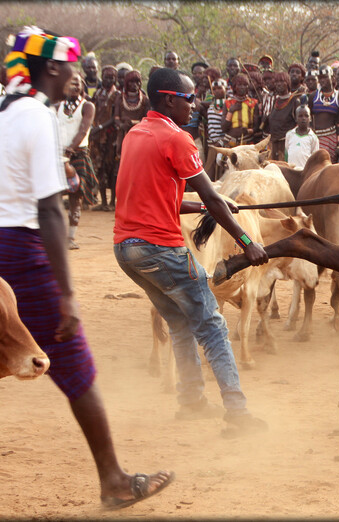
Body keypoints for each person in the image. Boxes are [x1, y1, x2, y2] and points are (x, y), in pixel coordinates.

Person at [0, 26, 173, 510]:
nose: (75, 73)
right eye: (69, 65)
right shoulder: (37, 117)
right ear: (50, 67)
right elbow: (49, 209)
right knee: (76, 368)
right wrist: (67, 293)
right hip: (23, 254)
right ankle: (113, 481)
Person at [113, 66, 270, 436]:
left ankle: (192, 401)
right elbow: (212, 195)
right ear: (169, 99)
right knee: (213, 325)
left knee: (180, 320)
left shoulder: (136, 134)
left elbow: (153, 196)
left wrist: (201, 208)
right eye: (189, 98)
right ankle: (237, 413)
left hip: (126, 249)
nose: (194, 105)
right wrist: (247, 243)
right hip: (158, 248)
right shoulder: (178, 139)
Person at [56, 74, 99, 249]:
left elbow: (83, 129)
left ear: (82, 87)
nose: (74, 87)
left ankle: (70, 237)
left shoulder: (87, 106)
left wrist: (69, 150)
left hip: (78, 155)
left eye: (77, 85)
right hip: (59, 155)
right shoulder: (58, 106)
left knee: (76, 197)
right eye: (70, 84)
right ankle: (57, 235)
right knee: (55, 196)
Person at [112, 70, 149, 207]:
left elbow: (147, 119)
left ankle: (136, 199)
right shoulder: (119, 98)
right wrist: (122, 124)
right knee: (121, 167)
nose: (135, 85)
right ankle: (121, 199)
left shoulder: (144, 100)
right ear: (126, 83)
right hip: (123, 136)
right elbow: (116, 119)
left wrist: (135, 123)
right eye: (132, 82)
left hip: (140, 137)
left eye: (138, 81)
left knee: (138, 168)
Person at [89, 65, 118, 211]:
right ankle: (104, 202)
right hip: (97, 136)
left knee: (111, 168)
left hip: (110, 136)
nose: (108, 80)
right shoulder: (98, 93)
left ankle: (113, 201)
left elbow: (114, 118)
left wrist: (100, 127)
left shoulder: (116, 95)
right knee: (99, 167)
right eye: (106, 77)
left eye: (111, 77)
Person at [309, 64, 339, 162]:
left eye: (325, 77)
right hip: (317, 137)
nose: (322, 80)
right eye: (320, 78)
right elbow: (309, 118)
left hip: (332, 137)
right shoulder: (313, 96)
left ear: (333, 78)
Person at [263, 71, 298, 161]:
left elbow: (298, 125)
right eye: (277, 82)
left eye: (282, 82)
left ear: (288, 84)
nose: (279, 84)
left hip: (286, 144)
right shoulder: (276, 101)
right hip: (273, 144)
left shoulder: (294, 101)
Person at [222, 73, 260, 146]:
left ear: (248, 87)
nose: (242, 87)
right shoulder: (228, 103)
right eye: (239, 85)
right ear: (234, 87)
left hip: (247, 141)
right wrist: (231, 111)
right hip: (230, 141)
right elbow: (224, 128)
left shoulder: (253, 103)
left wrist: (248, 131)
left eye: (245, 85)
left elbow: (256, 127)